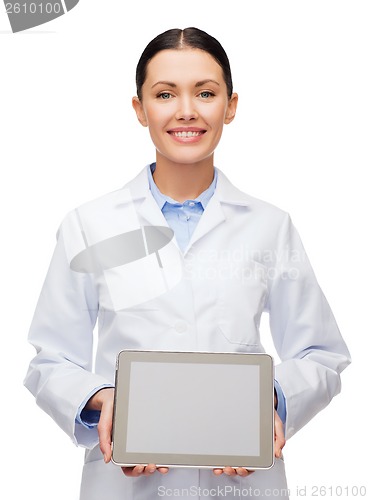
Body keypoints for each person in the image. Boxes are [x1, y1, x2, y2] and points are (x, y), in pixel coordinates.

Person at [24, 27, 351, 500]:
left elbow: (321, 353)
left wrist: (265, 403)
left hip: (242, 483)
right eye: (164, 94)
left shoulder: (269, 227)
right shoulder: (90, 225)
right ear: (139, 109)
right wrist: (106, 400)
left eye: (205, 92)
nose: (186, 110)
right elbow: (51, 360)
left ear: (230, 106)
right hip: (126, 482)